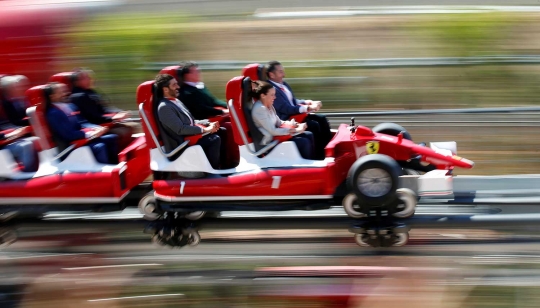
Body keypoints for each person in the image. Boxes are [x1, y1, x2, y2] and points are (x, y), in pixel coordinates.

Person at [265, 60, 332, 160]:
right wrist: (308, 108)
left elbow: (292, 101)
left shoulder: (283, 84)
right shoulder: (271, 90)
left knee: (322, 119)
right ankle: (319, 155)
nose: (284, 74)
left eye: (283, 71)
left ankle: (330, 149)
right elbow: (287, 109)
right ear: (271, 75)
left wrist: (308, 102)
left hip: (296, 114)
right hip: (288, 118)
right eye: (280, 72)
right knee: (314, 125)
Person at [178, 61, 239, 168]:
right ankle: (224, 163)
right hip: (201, 121)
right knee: (227, 128)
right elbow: (201, 109)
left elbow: (213, 101)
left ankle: (232, 160)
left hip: (211, 118)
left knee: (232, 122)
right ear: (187, 75)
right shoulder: (186, 92)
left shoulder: (200, 87)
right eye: (195, 71)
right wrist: (221, 112)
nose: (198, 73)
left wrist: (229, 107)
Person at [154, 74, 222, 169]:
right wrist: (205, 130)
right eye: (174, 85)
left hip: (189, 138)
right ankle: (213, 170)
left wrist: (208, 123)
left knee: (222, 130)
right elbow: (180, 129)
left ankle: (225, 166)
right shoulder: (164, 107)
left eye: (177, 84)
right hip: (182, 145)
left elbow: (192, 121)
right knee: (214, 139)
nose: (178, 87)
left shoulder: (176, 101)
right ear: (165, 89)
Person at [45, 82, 119, 164]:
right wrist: (91, 133)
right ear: (52, 96)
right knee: (99, 146)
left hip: (81, 140)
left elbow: (83, 122)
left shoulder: (70, 106)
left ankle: (114, 166)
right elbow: (69, 135)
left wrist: (96, 128)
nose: (65, 94)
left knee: (112, 138)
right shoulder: (53, 113)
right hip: (70, 147)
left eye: (65, 91)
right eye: (60, 92)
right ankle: (103, 172)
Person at [69, 68, 134, 149]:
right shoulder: (79, 96)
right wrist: (112, 118)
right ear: (76, 82)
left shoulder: (91, 92)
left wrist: (119, 113)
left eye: (89, 77)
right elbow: (93, 117)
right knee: (123, 131)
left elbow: (104, 109)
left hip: (103, 122)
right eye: (85, 78)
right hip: (95, 126)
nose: (90, 79)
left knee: (132, 126)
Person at [250, 80, 314, 160]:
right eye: (272, 95)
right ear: (263, 95)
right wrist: (295, 130)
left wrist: (296, 125)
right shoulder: (259, 109)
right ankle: (306, 166)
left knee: (308, 134)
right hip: (270, 144)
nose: (275, 97)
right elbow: (272, 130)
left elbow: (279, 122)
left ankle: (313, 160)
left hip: (276, 137)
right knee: (304, 142)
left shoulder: (269, 105)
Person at [0, 101, 37, 172]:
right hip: (2, 149)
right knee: (25, 146)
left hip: (4, 143)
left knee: (32, 140)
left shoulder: (6, 104)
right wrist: (14, 134)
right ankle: (28, 172)